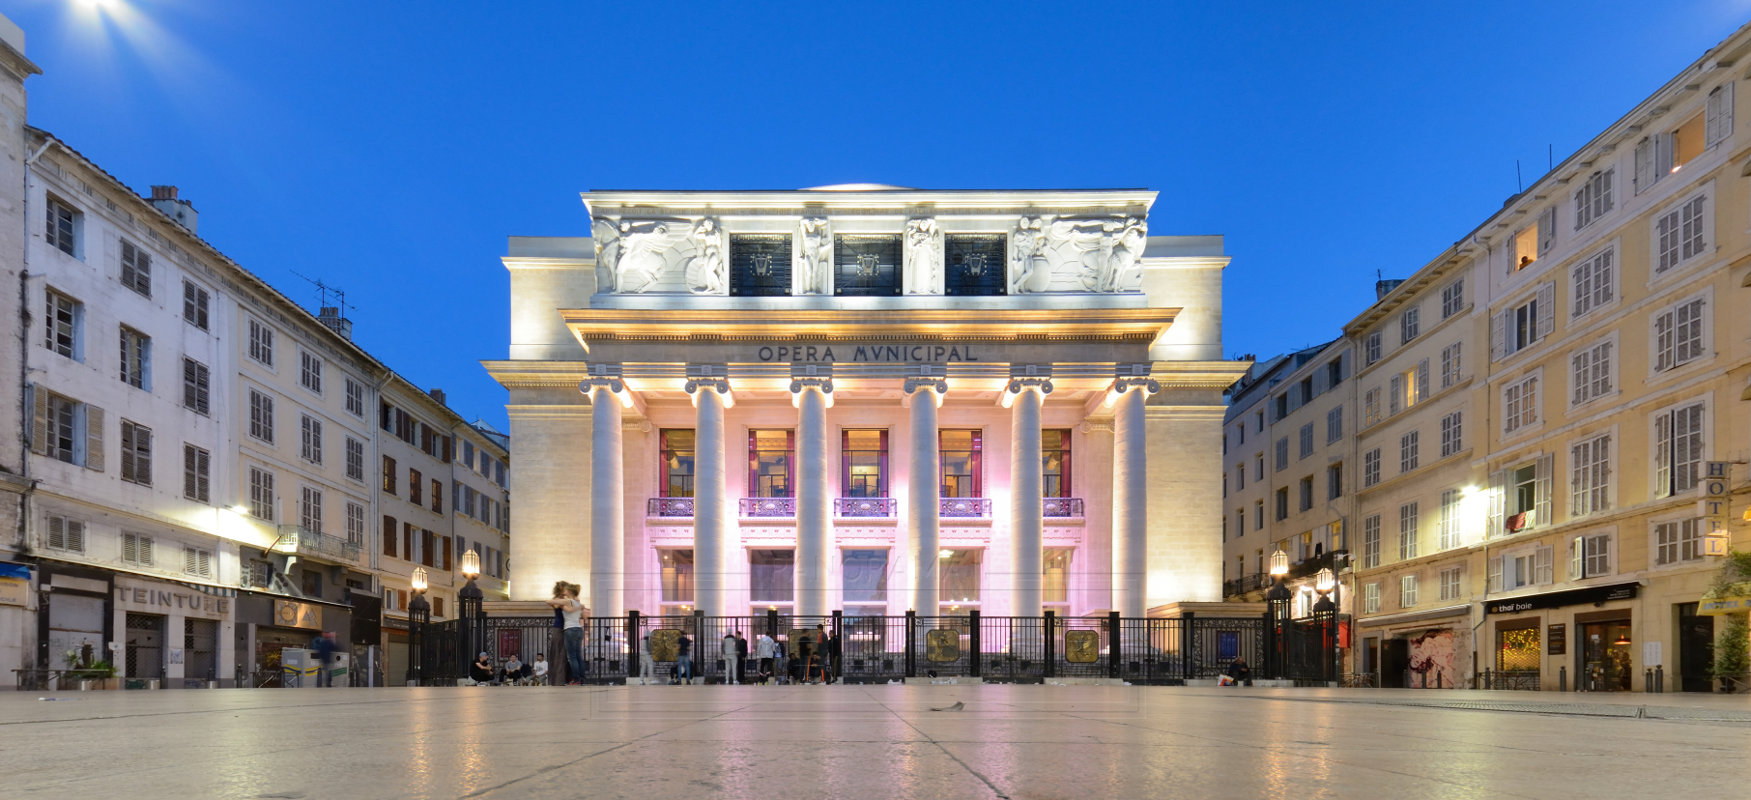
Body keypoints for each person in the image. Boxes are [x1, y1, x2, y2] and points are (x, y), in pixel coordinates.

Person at [546, 582, 585, 685]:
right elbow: (553, 603)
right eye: (565, 588)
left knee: (569, 656)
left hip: (567, 628)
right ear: (561, 589)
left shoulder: (568, 601)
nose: (566, 590)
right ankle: (561, 679)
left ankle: (571, 678)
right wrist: (578, 607)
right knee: (562, 654)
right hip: (560, 628)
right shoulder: (560, 600)